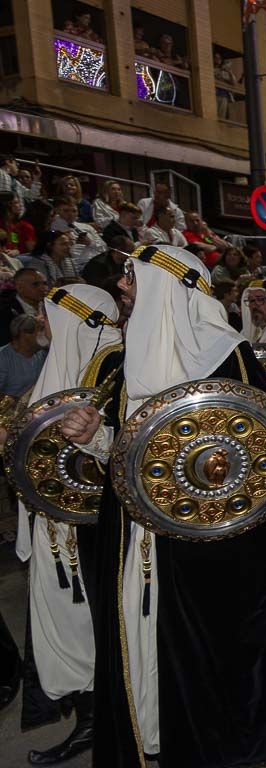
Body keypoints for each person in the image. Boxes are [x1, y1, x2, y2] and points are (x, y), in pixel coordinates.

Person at [61, 245, 266, 767]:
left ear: (166, 287)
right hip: (142, 539)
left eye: (135, 277)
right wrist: (95, 437)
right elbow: (133, 454)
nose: (124, 288)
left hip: (218, 550)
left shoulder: (231, 357)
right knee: (146, 638)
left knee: (215, 653)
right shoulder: (129, 359)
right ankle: (157, 736)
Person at [13, 286, 123, 766]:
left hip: (95, 529)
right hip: (56, 523)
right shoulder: (64, 361)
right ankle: (89, 719)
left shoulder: (115, 366)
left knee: (94, 625)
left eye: (48, 310)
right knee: (69, 624)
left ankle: (102, 725)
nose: (40, 318)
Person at [51, 195, 105, 266]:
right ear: (57, 211)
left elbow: (104, 247)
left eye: (74, 211)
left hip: (98, 261)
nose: (70, 214)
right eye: (66, 211)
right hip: (78, 266)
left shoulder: (86, 227)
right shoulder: (54, 229)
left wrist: (90, 243)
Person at [0, 314, 47, 395]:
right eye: (40, 331)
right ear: (25, 335)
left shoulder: (42, 354)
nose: (45, 335)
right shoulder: (3, 358)